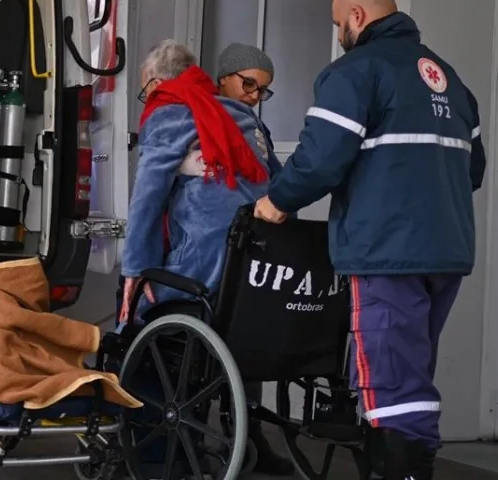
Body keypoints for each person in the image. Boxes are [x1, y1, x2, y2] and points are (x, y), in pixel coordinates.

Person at [252, 1, 486, 479]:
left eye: (339, 24)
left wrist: (275, 201)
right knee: (411, 371)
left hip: (386, 251)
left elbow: (319, 160)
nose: (339, 34)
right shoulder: (449, 78)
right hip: (446, 250)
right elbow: (473, 170)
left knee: (390, 380)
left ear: (356, 15)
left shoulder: (357, 71)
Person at [118, 39, 282, 477]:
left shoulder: (169, 112)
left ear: (155, 83)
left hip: (206, 273)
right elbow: (282, 193)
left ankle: (155, 458)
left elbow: (147, 203)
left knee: (134, 327)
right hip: (258, 277)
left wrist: (132, 272)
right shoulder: (248, 122)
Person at [212, 42, 294, 477]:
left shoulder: (257, 129)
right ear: (223, 77)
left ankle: (250, 433)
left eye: (262, 90)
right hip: (212, 249)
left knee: (252, 336)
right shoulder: (199, 116)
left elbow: (277, 178)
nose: (253, 95)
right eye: (248, 84)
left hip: (251, 247)